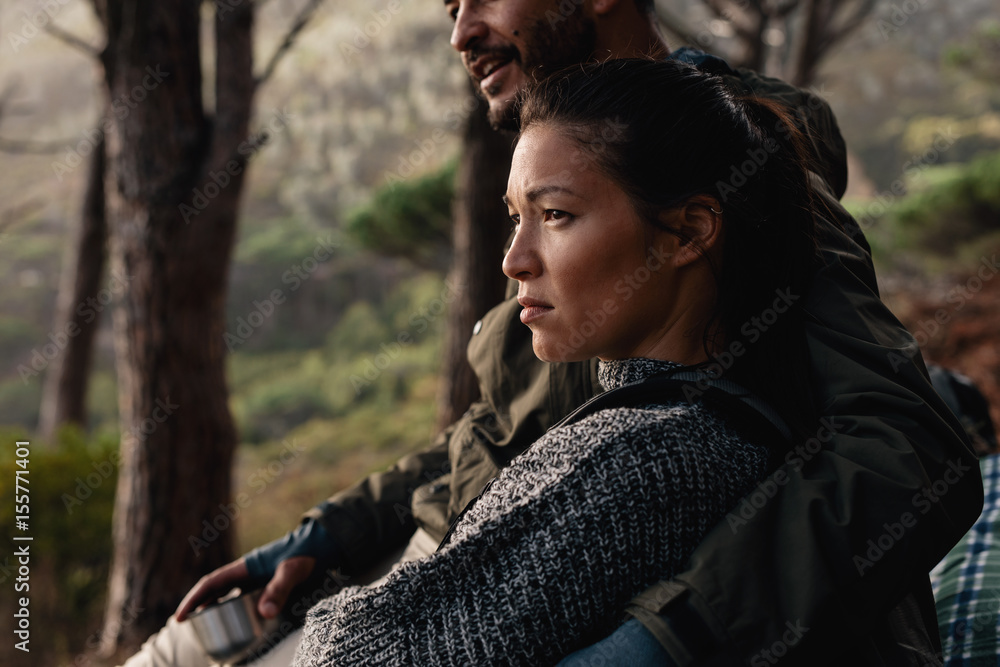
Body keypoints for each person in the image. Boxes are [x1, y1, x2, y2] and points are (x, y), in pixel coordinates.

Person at [122, 0, 982, 664]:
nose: (463, 32)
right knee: (181, 644)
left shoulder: (734, 171)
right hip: (468, 558)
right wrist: (331, 531)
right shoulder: (572, 223)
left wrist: (663, 640)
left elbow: (905, 444)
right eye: (449, 8)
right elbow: (497, 431)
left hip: (522, 587)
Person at [291, 56, 821, 665]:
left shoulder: (647, 457)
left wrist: (336, 616)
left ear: (687, 233)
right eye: (517, 218)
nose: (514, 260)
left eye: (556, 215)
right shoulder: (709, 422)